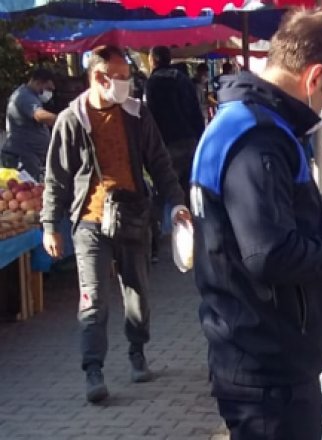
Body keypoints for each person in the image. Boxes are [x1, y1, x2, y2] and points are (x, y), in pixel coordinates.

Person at [189, 9, 322, 440]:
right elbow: (271, 253)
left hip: (262, 357)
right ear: (314, 78)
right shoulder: (258, 138)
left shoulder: (247, 126)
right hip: (268, 369)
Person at [40, 45, 191, 403]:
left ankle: (137, 351)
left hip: (133, 216)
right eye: (120, 77)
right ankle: (93, 370)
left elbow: (159, 162)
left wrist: (177, 203)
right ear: (99, 77)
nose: (127, 83)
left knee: (137, 292)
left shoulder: (137, 115)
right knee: (93, 299)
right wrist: (49, 225)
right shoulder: (72, 119)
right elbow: (56, 178)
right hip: (89, 223)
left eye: (128, 77)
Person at [146, 46, 204, 201]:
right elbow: (195, 110)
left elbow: (152, 115)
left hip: (167, 143)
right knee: (192, 190)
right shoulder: (183, 78)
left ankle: (173, 215)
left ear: (152, 60)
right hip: (190, 140)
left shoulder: (152, 83)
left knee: (170, 192)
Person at [1, 68, 57, 180]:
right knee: (26, 188)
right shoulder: (24, 96)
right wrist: (65, 120)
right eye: (48, 89)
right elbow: (39, 115)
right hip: (21, 157)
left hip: (29, 156)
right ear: (38, 82)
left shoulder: (30, 96)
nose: (49, 93)